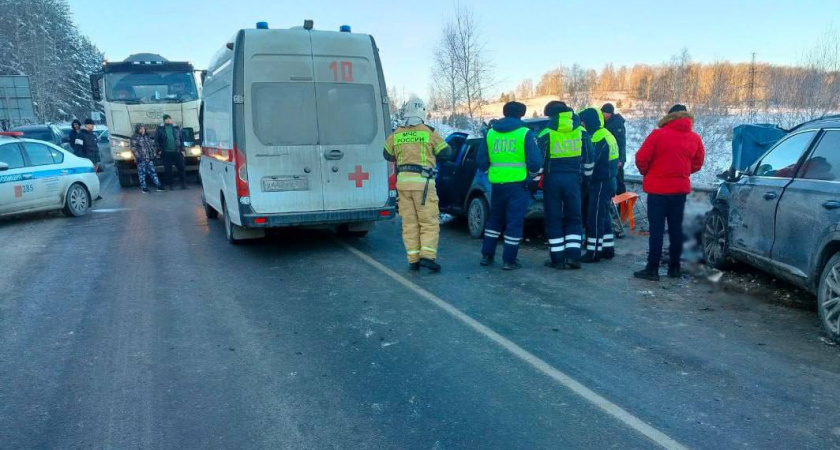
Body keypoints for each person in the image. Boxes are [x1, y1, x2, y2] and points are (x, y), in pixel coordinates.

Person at [633, 104, 705, 281]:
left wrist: (647, 172)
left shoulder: (658, 135)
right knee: (676, 230)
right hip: (679, 190)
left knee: (656, 230)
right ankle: (675, 268)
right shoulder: (694, 138)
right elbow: (698, 162)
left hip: (657, 190)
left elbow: (641, 158)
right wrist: (682, 173)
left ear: (669, 117)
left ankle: (652, 268)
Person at [383, 97, 452, 272]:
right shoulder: (429, 131)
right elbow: (446, 152)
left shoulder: (397, 133)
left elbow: (387, 154)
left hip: (403, 185)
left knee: (409, 222)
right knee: (428, 221)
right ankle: (427, 257)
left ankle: (413, 259)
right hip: (423, 185)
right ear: (422, 112)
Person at [477, 101, 542, 270]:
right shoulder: (525, 133)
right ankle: (509, 260)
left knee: (495, 219)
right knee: (514, 222)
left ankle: (487, 255)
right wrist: (532, 177)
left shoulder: (490, 133)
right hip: (518, 185)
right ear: (521, 114)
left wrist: (488, 172)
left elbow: (481, 161)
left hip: (497, 184)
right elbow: (535, 162)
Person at [538, 101, 593, 270]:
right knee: (574, 218)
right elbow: (589, 159)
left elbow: (539, 162)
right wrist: (585, 180)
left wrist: (536, 182)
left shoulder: (545, 133)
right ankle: (574, 257)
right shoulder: (581, 132)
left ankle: (557, 259)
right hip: (574, 180)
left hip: (552, 180)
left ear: (552, 115)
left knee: (554, 218)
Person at [578, 107, 618, 263]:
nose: (581, 124)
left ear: (588, 121)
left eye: (582, 121)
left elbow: (591, 162)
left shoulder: (596, 138)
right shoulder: (607, 134)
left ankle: (593, 252)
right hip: (609, 180)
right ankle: (607, 248)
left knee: (594, 217)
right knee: (603, 216)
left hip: (600, 182)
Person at [155, 114, 187, 190]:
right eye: (166, 119)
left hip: (177, 151)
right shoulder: (160, 129)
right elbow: (157, 140)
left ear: (171, 119)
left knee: (181, 168)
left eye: (169, 119)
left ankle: (183, 184)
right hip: (166, 152)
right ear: (164, 121)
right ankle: (171, 185)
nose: (168, 120)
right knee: (168, 169)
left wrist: (182, 149)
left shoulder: (176, 128)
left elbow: (181, 138)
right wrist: (159, 150)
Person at [130, 124, 164, 193]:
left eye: (143, 128)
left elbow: (151, 146)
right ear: (137, 129)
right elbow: (133, 148)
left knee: (153, 172)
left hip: (149, 158)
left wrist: (154, 155)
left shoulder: (147, 136)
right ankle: (144, 188)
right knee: (142, 174)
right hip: (141, 159)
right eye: (141, 129)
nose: (142, 130)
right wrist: (138, 157)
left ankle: (159, 186)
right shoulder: (134, 137)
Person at [602, 103, 627, 195]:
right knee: (612, 183)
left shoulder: (617, 123)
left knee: (619, 182)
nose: (602, 114)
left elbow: (621, 142)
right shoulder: (607, 122)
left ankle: (622, 206)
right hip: (611, 156)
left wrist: (621, 159)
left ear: (609, 113)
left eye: (604, 112)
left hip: (617, 158)